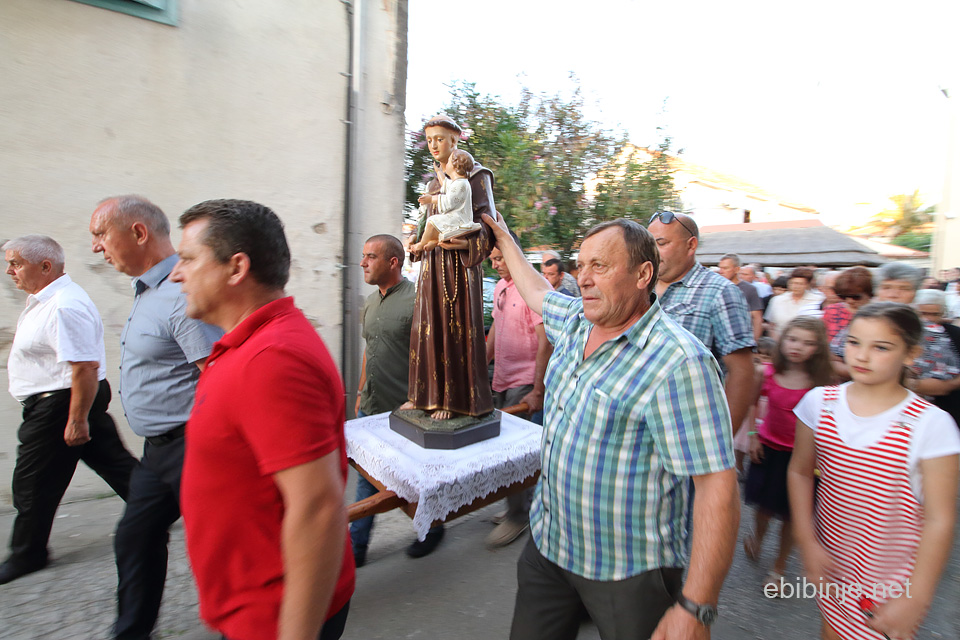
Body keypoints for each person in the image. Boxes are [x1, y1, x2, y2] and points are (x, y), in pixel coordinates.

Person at [481, 212, 739, 640]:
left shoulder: (678, 362)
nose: (582, 278)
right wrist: (505, 238)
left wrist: (696, 608)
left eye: (599, 266)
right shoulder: (577, 322)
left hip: (628, 572)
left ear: (643, 274)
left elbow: (716, 487)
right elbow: (536, 291)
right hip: (549, 550)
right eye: (580, 266)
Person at [173, 199, 354, 640]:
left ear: (236, 268)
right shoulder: (253, 346)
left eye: (187, 259)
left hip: (270, 617)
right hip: (251, 607)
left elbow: (317, 507)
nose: (176, 274)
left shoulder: (270, 360)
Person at [89, 195, 222, 639]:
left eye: (100, 234)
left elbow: (218, 378)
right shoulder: (148, 291)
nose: (96, 248)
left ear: (138, 233)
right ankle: (131, 631)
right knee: (135, 536)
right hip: (157, 454)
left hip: (194, 447)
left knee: (222, 547)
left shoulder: (180, 295)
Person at [788, 303, 960, 640]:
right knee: (832, 629)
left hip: (892, 578)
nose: (862, 356)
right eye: (854, 343)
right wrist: (806, 540)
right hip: (833, 561)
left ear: (911, 354)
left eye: (881, 347)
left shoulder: (931, 425)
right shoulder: (818, 403)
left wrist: (919, 596)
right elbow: (800, 471)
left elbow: (940, 519)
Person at [0, 236, 136, 585]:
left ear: (45, 266)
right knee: (115, 463)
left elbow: (84, 369)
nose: (9, 270)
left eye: (16, 263)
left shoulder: (63, 305)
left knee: (32, 483)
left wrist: (76, 420)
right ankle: (164, 505)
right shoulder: (45, 300)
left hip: (61, 402)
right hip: (63, 399)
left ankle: (27, 553)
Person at [351, 234, 443, 565]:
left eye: (370, 256)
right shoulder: (370, 303)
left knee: (416, 476)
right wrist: (361, 390)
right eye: (363, 256)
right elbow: (370, 350)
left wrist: (424, 403)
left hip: (405, 411)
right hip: (370, 407)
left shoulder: (418, 300)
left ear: (393, 262)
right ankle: (356, 548)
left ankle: (432, 529)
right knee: (366, 478)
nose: (363, 262)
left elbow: (434, 357)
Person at [405, 114, 496, 420]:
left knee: (451, 329)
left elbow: (490, 226)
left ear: (455, 142)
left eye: (440, 139)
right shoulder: (434, 182)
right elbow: (423, 222)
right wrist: (415, 245)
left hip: (458, 267)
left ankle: (453, 401)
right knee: (427, 329)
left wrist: (470, 244)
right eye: (429, 139)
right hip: (432, 265)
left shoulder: (476, 177)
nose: (434, 145)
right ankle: (424, 397)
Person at [742, 316, 834, 594]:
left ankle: (778, 568)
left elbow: (830, 421)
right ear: (783, 341)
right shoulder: (767, 372)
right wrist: (752, 435)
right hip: (769, 450)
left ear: (818, 349)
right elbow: (752, 402)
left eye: (808, 343)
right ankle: (757, 536)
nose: (797, 347)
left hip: (804, 459)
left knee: (794, 515)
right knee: (764, 508)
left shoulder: (824, 382)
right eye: (793, 339)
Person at [649, 212, 756, 437]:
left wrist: (721, 441)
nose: (653, 252)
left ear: (691, 245)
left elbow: (742, 373)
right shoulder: (640, 287)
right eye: (650, 244)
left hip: (689, 431)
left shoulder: (721, 293)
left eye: (662, 243)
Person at [485, 243, 553, 548]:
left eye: (500, 258)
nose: (495, 264)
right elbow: (495, 331)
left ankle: (519, 516)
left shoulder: (534, 288)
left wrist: (538, 389)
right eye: (493, 259)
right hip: (501, 378)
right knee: (502, 449)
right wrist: (479, 370)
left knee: (515, 453)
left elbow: (545, 343)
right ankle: (517, 506)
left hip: (524, 382)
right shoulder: (501, 286)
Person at [410, 149, 480, 253]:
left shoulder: (461, 184)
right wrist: (438, 172)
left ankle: (421, 244)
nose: (446, 164)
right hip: (455, 217)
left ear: (456, 166)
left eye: (449, 162)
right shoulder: (457, 183)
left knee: (432, 222)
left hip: (459, 218)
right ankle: (434, 241)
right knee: (435, 222)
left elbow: (448, 202)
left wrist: (431, 199)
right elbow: (445, 184)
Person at [911, 289, 960, 427]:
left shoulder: (954, 334)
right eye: (923, 313)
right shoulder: (904, 333)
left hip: (945, 407)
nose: (928, 319)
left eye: (935, 314)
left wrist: (948, 385)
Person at [763, 267, 823, 338]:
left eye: (800, 284)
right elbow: (771, 325)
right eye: (793, 283)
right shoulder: (777, 300)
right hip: (780, 340)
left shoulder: (818, 300)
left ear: (807, 285)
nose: (796, 286)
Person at [718, 253, 763, 340]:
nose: (721, 271)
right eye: (720, 268)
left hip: (741, 338)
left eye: (725, 268)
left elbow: (757, 318)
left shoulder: (749, 289)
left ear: (737, 269)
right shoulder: (716, 288)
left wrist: (754, 342)